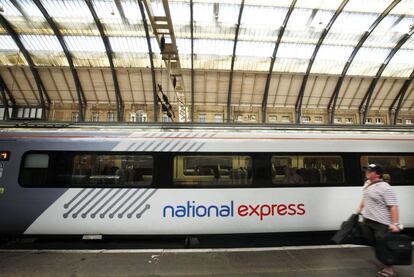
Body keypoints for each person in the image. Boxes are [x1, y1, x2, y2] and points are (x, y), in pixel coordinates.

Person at [356, 164, 402, 277]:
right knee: (374, 243)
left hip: (381, 222)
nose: (367, 172)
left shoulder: (385, 187)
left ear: (377, 174)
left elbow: (393, 206)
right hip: (368, 220)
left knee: (383, 245)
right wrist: (359, 209)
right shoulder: (367, 184)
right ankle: (383, 261)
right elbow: (365, 197)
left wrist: (395, 223)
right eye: (367, 170)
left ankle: (389, 269)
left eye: (370, 171)